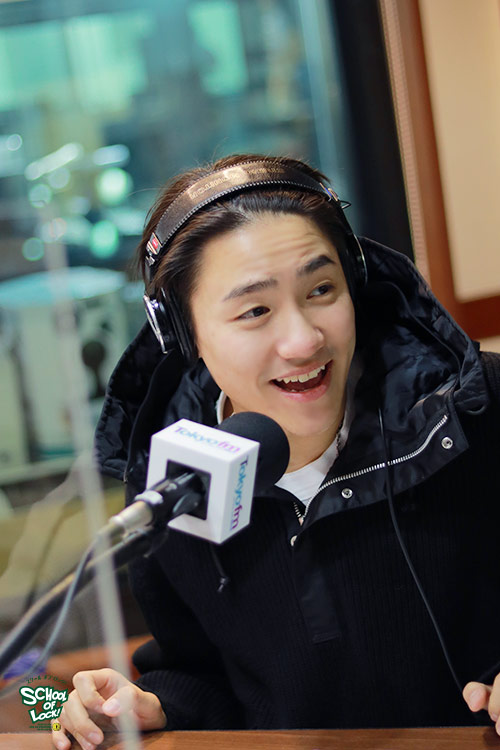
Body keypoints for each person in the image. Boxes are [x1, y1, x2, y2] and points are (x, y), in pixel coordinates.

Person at [51, 154, 500, 749]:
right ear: (183, 334)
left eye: (322, 290)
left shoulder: (474, 410)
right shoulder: (171, 482)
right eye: (256, 310)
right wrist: (154, 706)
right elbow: (203, 671)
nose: (304, 340)